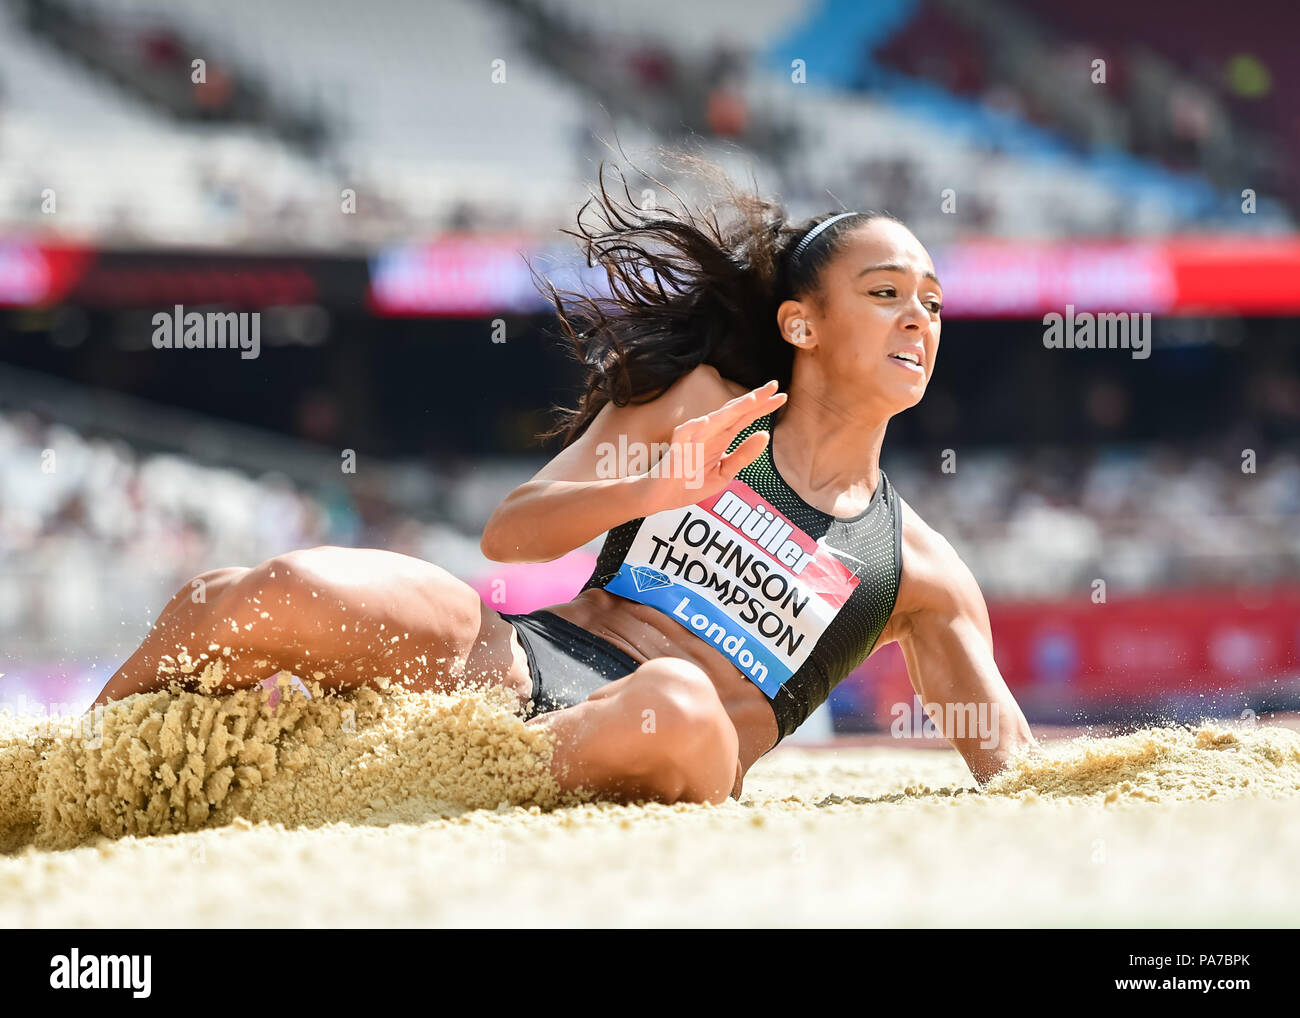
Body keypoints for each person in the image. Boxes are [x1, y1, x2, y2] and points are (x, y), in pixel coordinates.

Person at [93, 159, 1039, 806]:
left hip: (673, 740)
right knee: (251, 596)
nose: (918, 317)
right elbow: (514, 535)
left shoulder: (920, 568)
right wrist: (652, 488)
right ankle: (62, 779)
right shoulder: (700, 404)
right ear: (801, 324)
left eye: (932, 302)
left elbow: (1014, 770)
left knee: (673, 697)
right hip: (522, 667)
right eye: (885, 293)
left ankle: (398, 769)